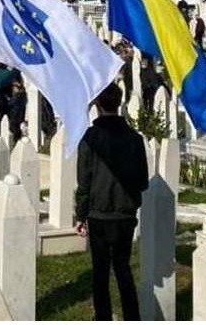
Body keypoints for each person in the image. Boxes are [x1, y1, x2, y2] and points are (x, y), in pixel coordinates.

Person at [75, 82, 149, 321]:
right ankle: (132, 317)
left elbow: (84, 179)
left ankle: (103, 316)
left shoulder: (91, 138)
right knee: (123, 267)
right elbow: (142, 180)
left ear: (97, 106)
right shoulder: (135, 139)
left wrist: (80, 213)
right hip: (125, 213)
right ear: (119, 104)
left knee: (101, 270)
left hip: (99, 213)